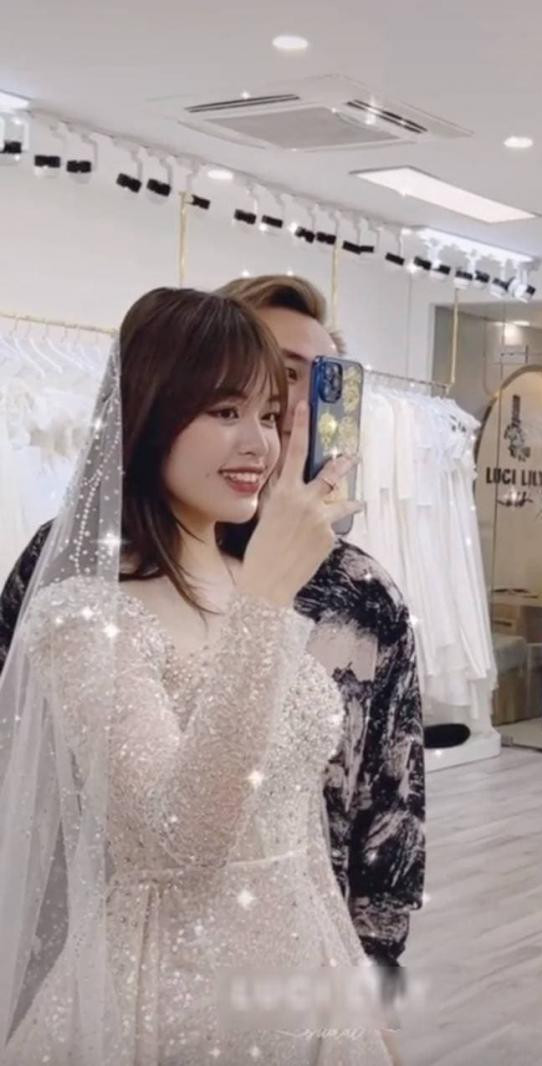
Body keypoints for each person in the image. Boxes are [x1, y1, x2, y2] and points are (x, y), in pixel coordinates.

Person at [0, 287, 404, 1064]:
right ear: (151, 413)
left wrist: (364, 1000)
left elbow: (301, 843)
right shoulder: (86, 616)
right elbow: (180, 840)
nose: (260, 444)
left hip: (302, 988)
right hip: (165, 1006)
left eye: (268, 415)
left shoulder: (250, 590)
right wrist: (265, 605)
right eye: (225, 411)